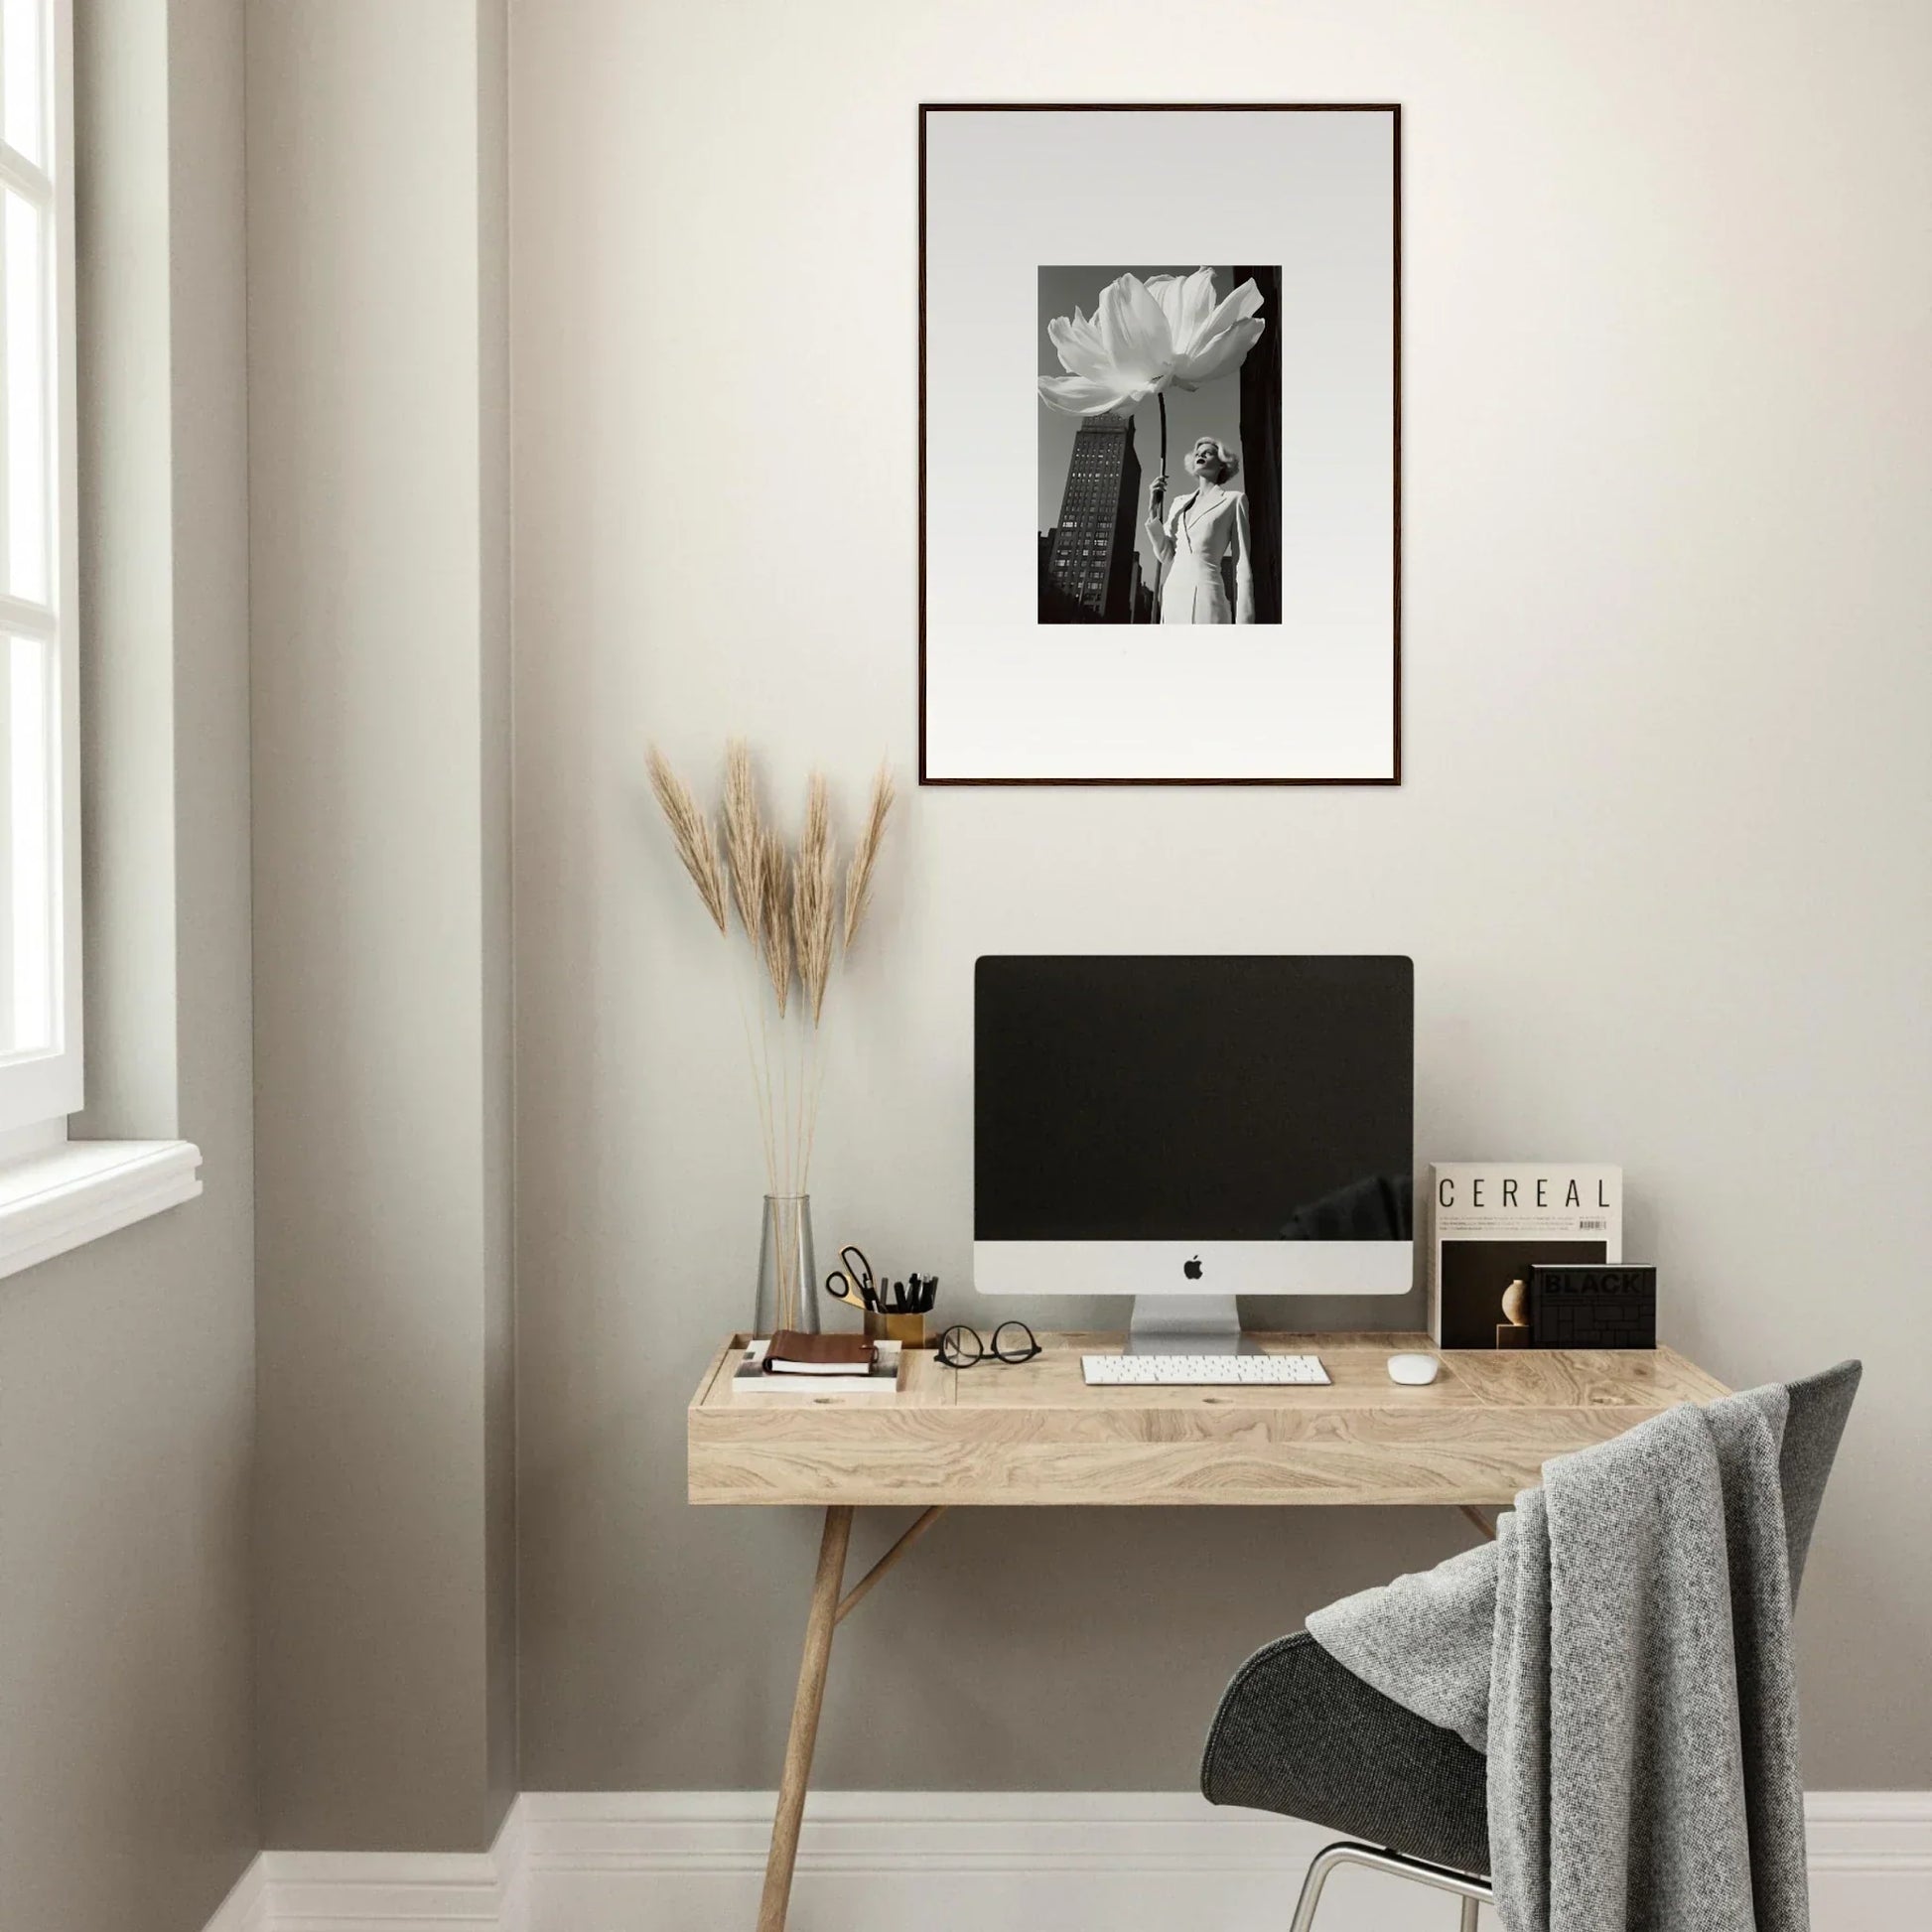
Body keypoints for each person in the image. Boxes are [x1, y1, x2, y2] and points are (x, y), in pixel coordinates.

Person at [1146, 436, 1254, 625]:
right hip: (1172, 598)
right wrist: (1153, 511)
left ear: (1222, 464)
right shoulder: (1179, 503)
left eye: (1208, 452)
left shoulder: (1234, 500)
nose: (1200, 455)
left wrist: (1245, 624)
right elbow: (1166, 556)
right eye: (1197, 453)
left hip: (1208, 599)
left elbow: (1242, 565)